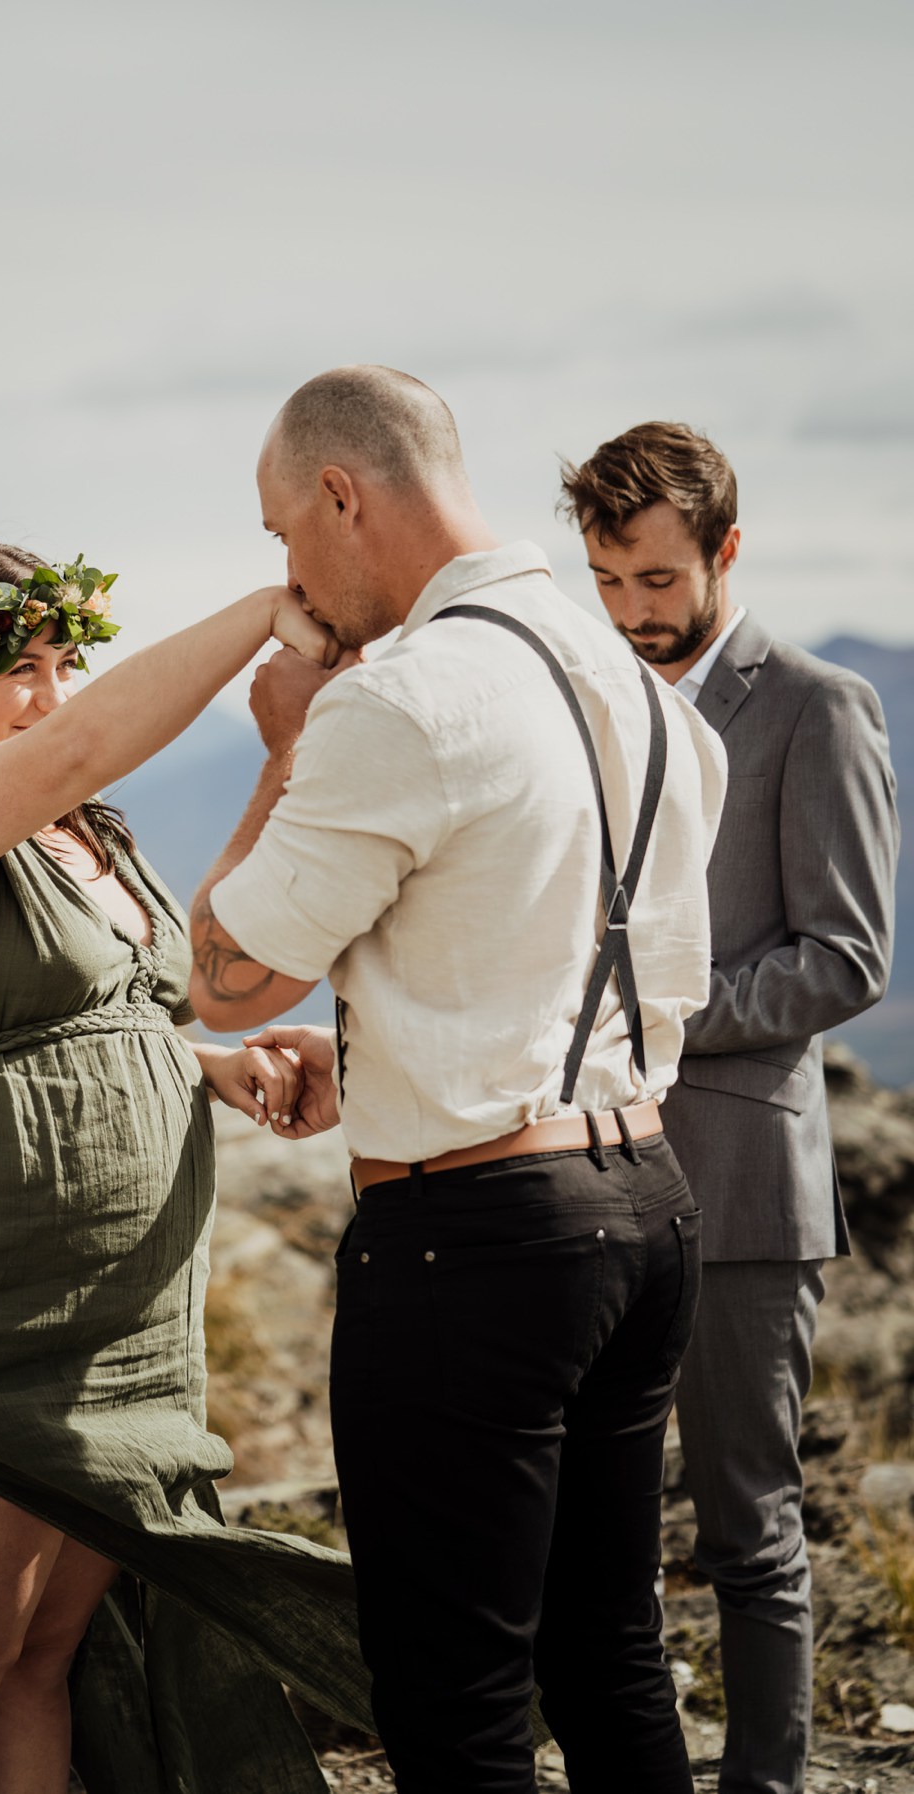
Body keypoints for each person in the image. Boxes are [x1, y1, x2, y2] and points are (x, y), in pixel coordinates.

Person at [186, 365, 729, 1793]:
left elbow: (225, 976)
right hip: (644, 1207)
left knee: (454, 1700)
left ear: (343, 494)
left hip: (474, 1247)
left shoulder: (403, 697)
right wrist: (374, 1053)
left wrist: (292, 741)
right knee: (610, 1659)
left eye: (281, 530)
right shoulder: (646, 686)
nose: (286, 571)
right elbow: (583, 969)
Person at [0, 538, 376, 1794]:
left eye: (62, 664)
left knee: (52, 1664)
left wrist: (207, 1066)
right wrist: (266, 613)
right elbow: (71, 748)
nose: (45, 695)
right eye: (10, 668)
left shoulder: (81, 834)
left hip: (126, 1326)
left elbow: (154, 1001)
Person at [558, 422, 899, 1794]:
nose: (633, 612)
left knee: (749, 1524)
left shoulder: (817, 705)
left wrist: (665, 1013)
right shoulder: (587, 701)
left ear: (724, 553)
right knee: (604, 1522)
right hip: (588, 1174)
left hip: (747, 1185)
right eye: (607, 581)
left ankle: (766, 1780)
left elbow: (850, 952)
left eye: (655, 580)